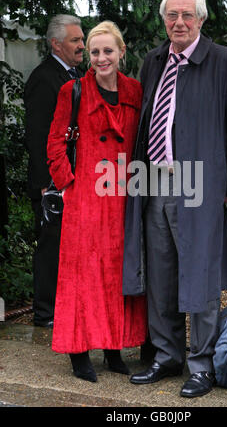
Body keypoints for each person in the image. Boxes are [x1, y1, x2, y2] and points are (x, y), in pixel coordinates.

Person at [122, 0, 227, 397]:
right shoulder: (153, 61)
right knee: (161, 274)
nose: (178, 23)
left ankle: (201, 364)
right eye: (171, 16)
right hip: (155, 184)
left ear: (201, 19)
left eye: (186, 15)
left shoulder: (225, 63)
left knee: (199, 277)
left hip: (201, 187)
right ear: (164, 20)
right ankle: (166, 356)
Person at [46, 21, 147, 382]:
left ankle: (114, 348)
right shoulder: (72, 91)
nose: (101, 58)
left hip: (122, 198)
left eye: (108, 50)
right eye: (95, 51)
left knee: (115, 274)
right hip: (86, 200)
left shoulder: (135, 91)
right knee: (82, 276)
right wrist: (70, 185)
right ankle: (78, 353)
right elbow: (55, 145)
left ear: (121, 52)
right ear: (88, 55)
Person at [24, 15, 85, 328]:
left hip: (74, 178)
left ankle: (64, 306)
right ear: (56, 44)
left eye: (81, 39)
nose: (82, 46)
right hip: (51, 182)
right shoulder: (43, 78)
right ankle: (45, 313)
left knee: (69, 246)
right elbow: (37, 136)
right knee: (50, 246)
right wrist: (48, 184)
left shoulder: (80, 74)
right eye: (75, 40)